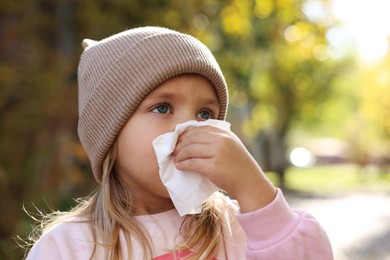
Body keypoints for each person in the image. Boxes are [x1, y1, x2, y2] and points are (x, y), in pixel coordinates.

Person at [26, 26, 333, 259]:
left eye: (204, 113)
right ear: (110, 133)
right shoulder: (67, 247)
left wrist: (253, 189)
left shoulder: (234, 227)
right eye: (162, 108)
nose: (188, 127)